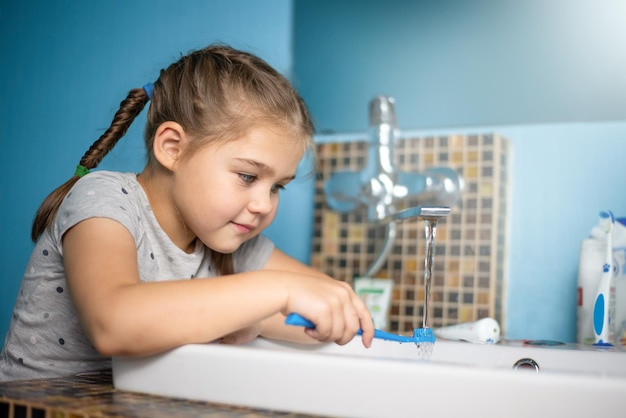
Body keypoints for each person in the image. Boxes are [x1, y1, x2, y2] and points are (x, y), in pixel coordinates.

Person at [0, 44, 374, 381]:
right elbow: (113, 323)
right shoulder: (104, 199)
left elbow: (334, 308)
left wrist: (258, 318)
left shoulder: (228, 238)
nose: (263, 204)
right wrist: (278, 291)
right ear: (172, 148)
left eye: (277, 187)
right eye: (247, 176)